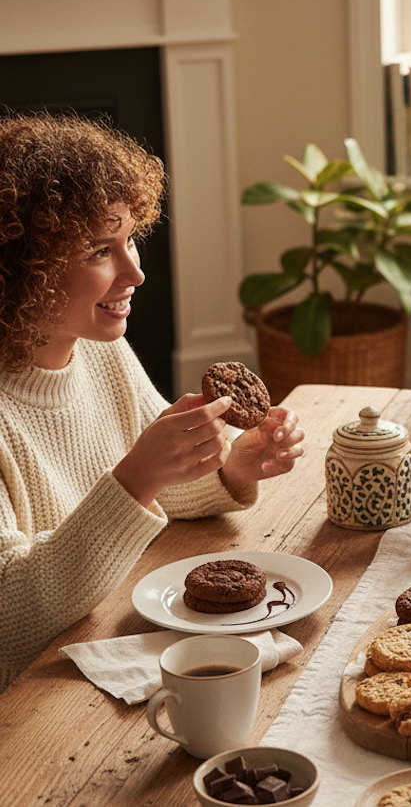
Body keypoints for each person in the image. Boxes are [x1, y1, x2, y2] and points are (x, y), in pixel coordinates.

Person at [0, 113, 306, 692]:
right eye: (99, 250)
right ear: (20, 268)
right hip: (29, 702)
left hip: (100, 638)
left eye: (130, 239)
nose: (136, 272)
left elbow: (152, 492)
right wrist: (137, 476)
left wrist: (227, 466)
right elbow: (9, 616)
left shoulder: (99, 351)